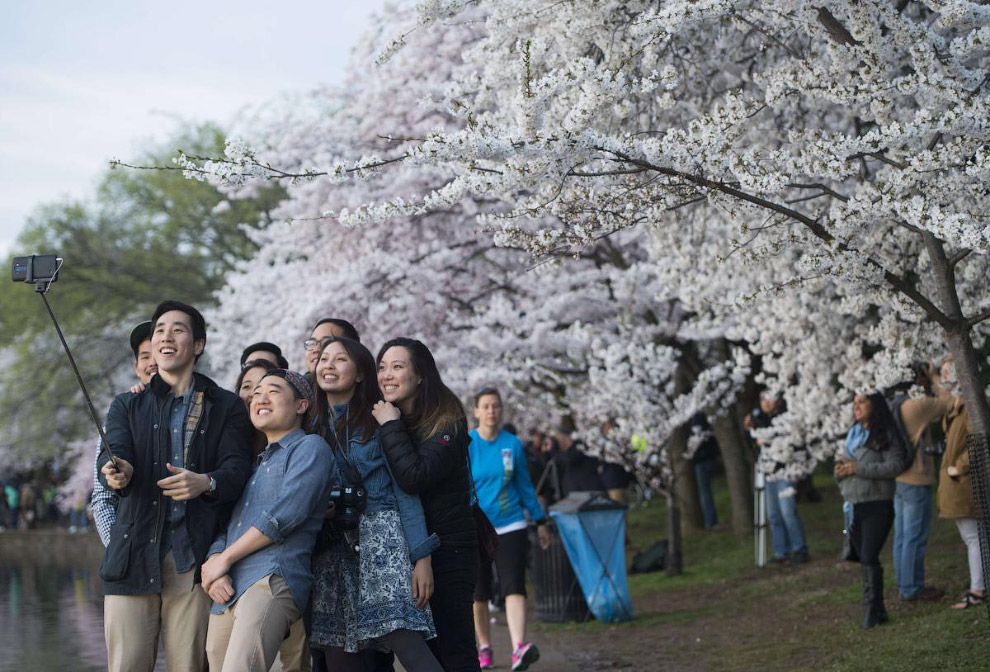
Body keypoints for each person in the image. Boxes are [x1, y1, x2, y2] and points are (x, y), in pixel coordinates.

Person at [98, 300, 253, 672]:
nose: (166, 336)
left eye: (178, 329)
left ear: (198, 345)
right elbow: (116, 453)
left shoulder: (227, 405)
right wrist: (119, 471)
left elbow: (237, 469)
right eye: (159, 330)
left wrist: (205, 482)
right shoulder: (126, 405)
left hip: (193, 560)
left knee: (190, 666)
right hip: (132, 558)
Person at [310, 337, 442, 671]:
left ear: (358, 373)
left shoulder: (378, 419)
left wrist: (421, 558)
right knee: (340, 650)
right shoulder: (309, 425)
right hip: (333, 547)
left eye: (340, 359)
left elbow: (406, 494)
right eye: (324, 358)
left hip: (383, 539)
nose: (328, 365)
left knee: (404, 638)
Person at [203, 369, 335, 672]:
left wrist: (225, 559)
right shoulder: (256, 463)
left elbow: (286, 515)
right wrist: (215, 563)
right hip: (229, 586)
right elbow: (228, 524)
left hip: (272, 577)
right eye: (256, 392)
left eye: (273, 391)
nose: (260, 397)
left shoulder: (310, 448)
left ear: (301, 405)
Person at [374, 337, 480, 672]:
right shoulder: (392, 419)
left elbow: (415, 477)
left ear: (420, 375)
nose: (387, 375)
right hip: (410, 553)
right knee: (428, 654)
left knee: (455, 649)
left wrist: (390, 426)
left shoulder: (447, 421)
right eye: (382, 367)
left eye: (397, 366)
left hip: (451, 551)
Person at [469, 388, 549, 671]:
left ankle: (518, 648)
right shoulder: (467, 444)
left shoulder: (512, 444)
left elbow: (524, 485)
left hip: (511, 522)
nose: (491, 411)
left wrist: (539, 521)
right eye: (486, 406)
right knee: (479, 592)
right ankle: (485, 647)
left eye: (496, 406)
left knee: (514, 584)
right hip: (477, 526)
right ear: (477, 412)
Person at [836, 392, 908, 629]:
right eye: (854, 403)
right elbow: (845, 466)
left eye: (862, 402)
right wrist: (840, 472)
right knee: (864, 557)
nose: (856, 406)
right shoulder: (852, 435)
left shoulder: (884, 433)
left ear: (874, 405)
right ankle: (880, 610)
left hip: (878, 503)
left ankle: (870, 611)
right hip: (853, 506)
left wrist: (859, 468)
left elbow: (896, 464)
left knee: (868, 555)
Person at [92, 321, 158, 547]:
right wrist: (117, 549)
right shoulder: (121, 412)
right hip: (134, 547)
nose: (153, 363)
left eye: (159, 353)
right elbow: (102, 498)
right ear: (137, 368)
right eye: (145, 356)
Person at [891, 361, 952, 602]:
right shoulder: (916, 406)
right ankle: (912, 588)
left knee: (903, 536)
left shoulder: (896, 404)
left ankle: (904, 584)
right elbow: (948, 401)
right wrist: (936, 377)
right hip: (916, 476)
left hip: (900, 478)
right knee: (915, 536)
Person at [748, 394, 808, 564]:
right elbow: (752, 443)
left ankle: (800, 548)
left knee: (788, 511)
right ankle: (781, 551)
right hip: (767, 471)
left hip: (785, 470)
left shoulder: (786, 418)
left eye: (769, 399)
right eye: (762, 399)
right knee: (773, 514)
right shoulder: (758, 419)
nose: (765, 403)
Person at [938, 394, 985, 610]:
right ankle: (979, 587)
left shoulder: (968, 407)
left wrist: (960, 466)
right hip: (955, 482)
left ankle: (978, 591)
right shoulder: (954, 406)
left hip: (965, 481)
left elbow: (978, 438)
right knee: (972, 537)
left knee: (974, 537)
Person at [689, 414, 720, 530]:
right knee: (704, 492)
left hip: (703, 459)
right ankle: (709, 520)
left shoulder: (698, 418)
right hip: (703, 458)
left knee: (705, 492)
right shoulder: (695, 417)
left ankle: (710, 521)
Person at [551, 430, 605, 495]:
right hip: (575, 492)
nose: (559, 443)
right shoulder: (564, 453)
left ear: (567, 438)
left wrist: (553, 449)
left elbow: (569, 459)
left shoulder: (579, 446)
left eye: (560, 440)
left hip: (588, 489)